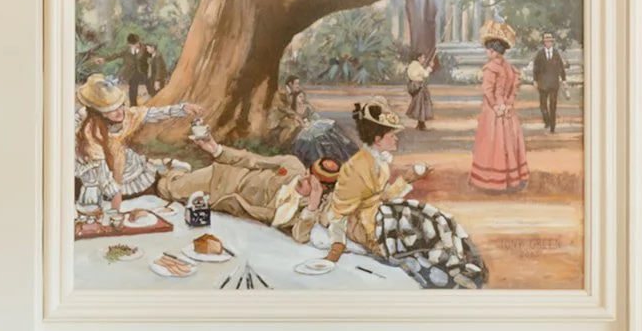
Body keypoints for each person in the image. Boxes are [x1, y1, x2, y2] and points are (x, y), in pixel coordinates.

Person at [326, 97, 487, 289]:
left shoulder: (379, 161)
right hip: (363, 225)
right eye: (391, 135)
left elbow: (383, 196)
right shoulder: (355, 167)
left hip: (378, 212)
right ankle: (447, 270)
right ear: (378, 139)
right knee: (412, 223)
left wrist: (409, 178)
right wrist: (337, 247)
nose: (396, 139)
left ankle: (460, 261)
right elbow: (339, 212)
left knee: (433, 216)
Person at [157, 135, 341, 245]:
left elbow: (300, 237)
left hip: (223, 203)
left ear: (321, 190)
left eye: (312, 182)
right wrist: (217, 150)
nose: (303, 178)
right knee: (166, 189)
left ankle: (179, 170)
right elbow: (251, 159)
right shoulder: (292, 165)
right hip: (221, 178)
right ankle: (176, 170)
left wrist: (313, 205)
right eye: (307, 173)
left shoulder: (307, 211)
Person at [75, 74, 200, 211]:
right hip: (106, 176)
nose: (119, 112)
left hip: (130, 169)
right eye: (111, 110)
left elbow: (152, 114)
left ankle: (164, 168)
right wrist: (116, 202)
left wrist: (182, 109)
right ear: (101, 113)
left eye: (120, 106)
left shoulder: (127, 116)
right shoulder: (91, 133)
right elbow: (102, 173)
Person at [470, 19, 529, 193]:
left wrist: (497, 106)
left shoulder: (490, 68)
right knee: (508, 143)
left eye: (489, 49)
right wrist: (507, 105)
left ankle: (492, 181)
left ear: (494, 50)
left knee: (493, 144)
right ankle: (511, 179)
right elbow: (514, 91)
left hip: (492, 112)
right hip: (508, 113)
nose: (487, 52)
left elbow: (488, 91)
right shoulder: (511, 68)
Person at [532, 31, 568, 133]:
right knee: (543, 105)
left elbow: (561, 68)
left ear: (552, 43)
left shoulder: (556, 53)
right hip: (542, 84)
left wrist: (564, 80)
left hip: (553, 84)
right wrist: (535, 80)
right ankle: (546, 121)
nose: (548, 43)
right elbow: (535, 68)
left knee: (553, 106)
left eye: (549, 41)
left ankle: (552, 127)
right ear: (544, 43)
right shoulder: (540, 54)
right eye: (546, 41)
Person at [103, 33, 149, 105]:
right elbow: (116, 55)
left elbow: (153, 55)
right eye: (132, 45)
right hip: (132, 73)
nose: (134, 46)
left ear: (138, 42)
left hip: (143, 73)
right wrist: (104, 59)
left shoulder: (145, 48)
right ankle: (133, 105)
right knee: (132, 89)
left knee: (151, 88)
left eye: (135, 44)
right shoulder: (126, 49)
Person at [404, 51, 437, 131]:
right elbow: (425, 74)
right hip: (419, 87)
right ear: (419, 58)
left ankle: (420, 124)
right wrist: (430, 67)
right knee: (421, 105)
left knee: (419, 106)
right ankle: (421, 125)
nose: (424, 59)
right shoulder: (417, 66)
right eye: (423, 57)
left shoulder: (412, 65)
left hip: (415, 87)